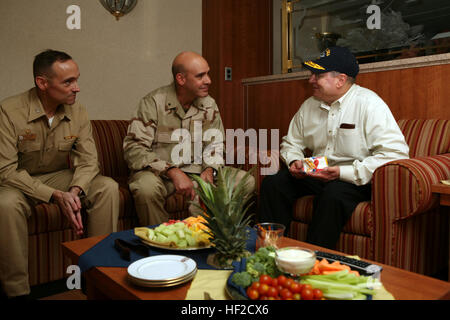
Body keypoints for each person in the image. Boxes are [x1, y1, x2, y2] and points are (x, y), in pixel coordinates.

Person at [258, 46, 409, 249]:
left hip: (354, 177)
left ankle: (313, 258)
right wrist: (294, 161)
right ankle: (270, 249)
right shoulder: (309, 105)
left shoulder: (369, 104)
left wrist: (342, 172)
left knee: (333, 195)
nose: (311, 80)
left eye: (318, 75)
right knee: (274, 184)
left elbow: (395, 154)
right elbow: (291, 142)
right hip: (317, 170)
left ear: (340, 80)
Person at [0, 50, 120, 298]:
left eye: (76, 80)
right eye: (68, 82)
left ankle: (98, 278)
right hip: (18, 182)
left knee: (106, 187)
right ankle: (17, 292)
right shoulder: (9, 110)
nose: (76, 88)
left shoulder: (78, 112)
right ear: (42, 83)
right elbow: (6, 170)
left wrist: (74, 191)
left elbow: (89, 161)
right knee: (5, 203)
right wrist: (55, 195)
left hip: (59, 176)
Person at [123, 51, 254, 226]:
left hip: (199, 173)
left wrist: (210, 169)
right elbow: (134, 149)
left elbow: (215, 144)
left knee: (246, 181)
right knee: (145, 188)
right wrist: (172, 171)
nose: (208, 80)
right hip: (160, 176)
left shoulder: (209, 104)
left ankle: (213, 232)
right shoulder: (152, 103)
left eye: (208, 73)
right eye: (200, 76)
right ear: (181, 79)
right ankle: (162, 240)